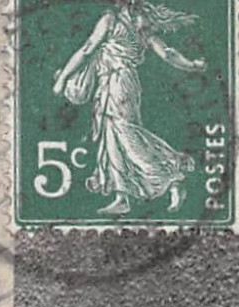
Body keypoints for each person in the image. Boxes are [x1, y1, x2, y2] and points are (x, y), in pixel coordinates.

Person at [53, 0, 206, 214]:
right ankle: (122, 196)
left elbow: (87, 49)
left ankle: (171, 178)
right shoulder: (142, 24)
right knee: (112, 136)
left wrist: (63, 79)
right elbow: (168, 53)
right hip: (120, 83)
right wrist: (191, 65)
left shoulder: (110, 19)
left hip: (117, 83)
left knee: (125, 134)